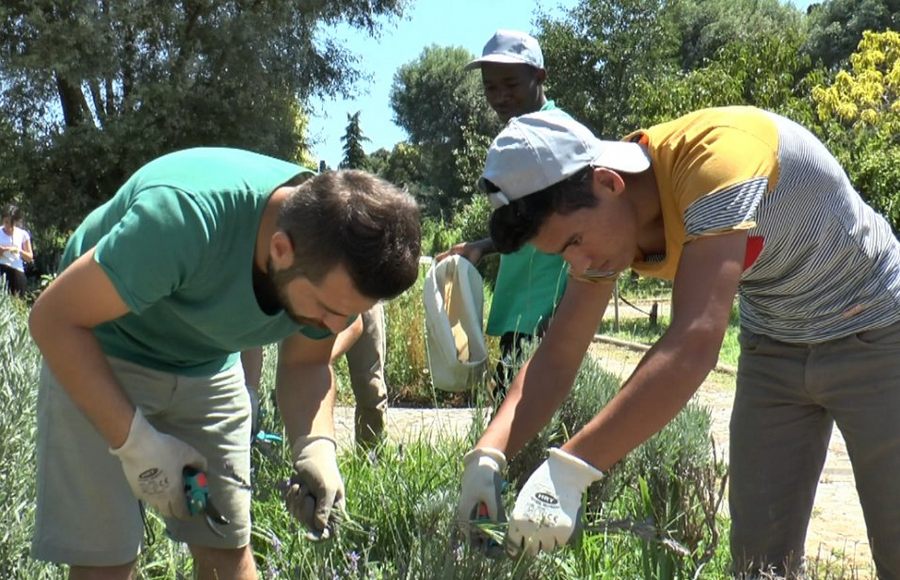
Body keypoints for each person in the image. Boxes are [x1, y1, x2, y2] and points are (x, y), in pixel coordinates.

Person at [456, 108, 900, 578]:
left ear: (608, 182)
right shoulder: (605, 223)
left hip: (877, 327)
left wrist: (573, 469)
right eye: (564, 252)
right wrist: (489, 454)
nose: (580, 261)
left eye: (576, 240)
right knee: (759, 561)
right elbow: (559, 356)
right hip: (775, 342)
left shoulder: (717, 162)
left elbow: (693, 344)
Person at [28, 147, 421, 580]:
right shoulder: (181, 219)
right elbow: (53, 320)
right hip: (99, 350)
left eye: (349, 314)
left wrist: (316, 447)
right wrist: (137, 444)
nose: (336, 326)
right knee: (106, 559)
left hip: (208, 367)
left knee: (225, 546)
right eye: (329, 309)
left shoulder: (326, 259)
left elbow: (307, 365)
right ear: (280, 249)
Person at [437, 30, 567, 398]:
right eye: (491, 87)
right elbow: (527, 222)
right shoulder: (521, 133)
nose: (500, 96)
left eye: (510, 83)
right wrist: (480, 246)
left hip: (548, 302)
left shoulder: (555, 134)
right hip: (524, 302)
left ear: (539, 77)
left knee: (521, 407)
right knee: (511, 400)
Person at [242, 301, 388, 449]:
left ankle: (372, 457)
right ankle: (296, 453)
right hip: (314, 297)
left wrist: (315, 360)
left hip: (366, 289)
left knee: (371, 387)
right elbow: (250, 332)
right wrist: (250, 393)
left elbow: (355, 325)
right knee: (296, 383)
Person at [0, 203, 34, 297]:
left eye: (11, 223)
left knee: (17, 301)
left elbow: (29, 257)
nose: (8, 226)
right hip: (1, 268)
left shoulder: (23, 234)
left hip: (17, 272)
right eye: (6, 222)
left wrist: (19, 250)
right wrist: (3, 250)